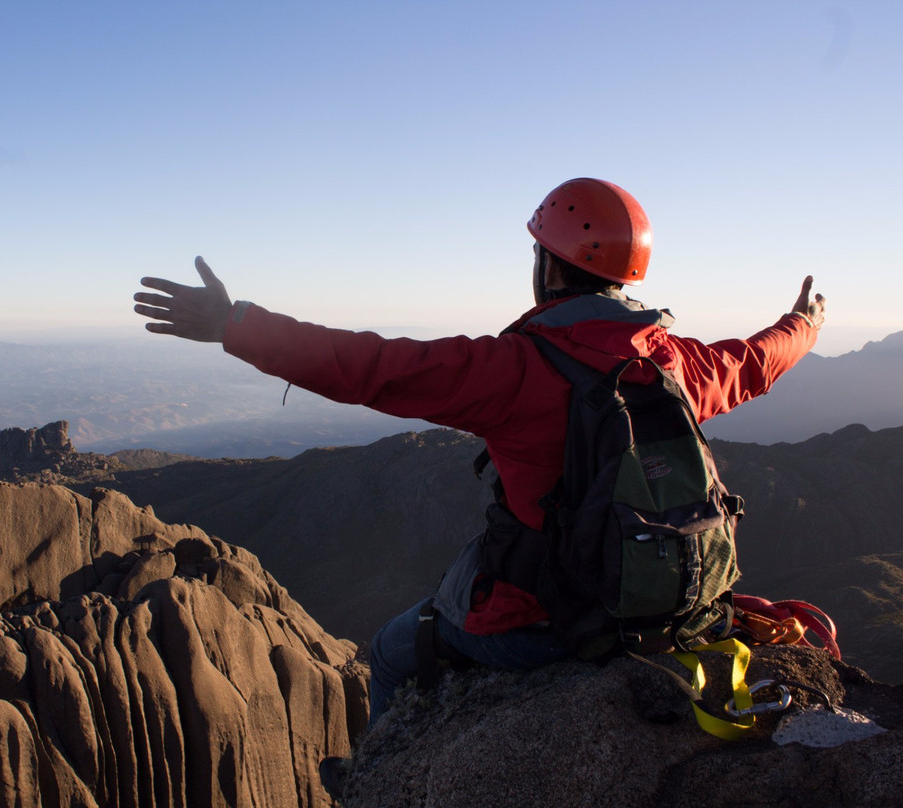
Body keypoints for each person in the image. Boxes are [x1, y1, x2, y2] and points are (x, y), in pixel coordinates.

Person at [133, 178, 825, 790]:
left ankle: (380, 773)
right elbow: (758, 359)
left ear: (549, 265)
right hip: (668, 619)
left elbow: (371, 366)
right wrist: (806, 323)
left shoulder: (516, 369)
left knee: (393, 650)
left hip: (546, 625)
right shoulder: (678, 365)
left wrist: (234, 326)